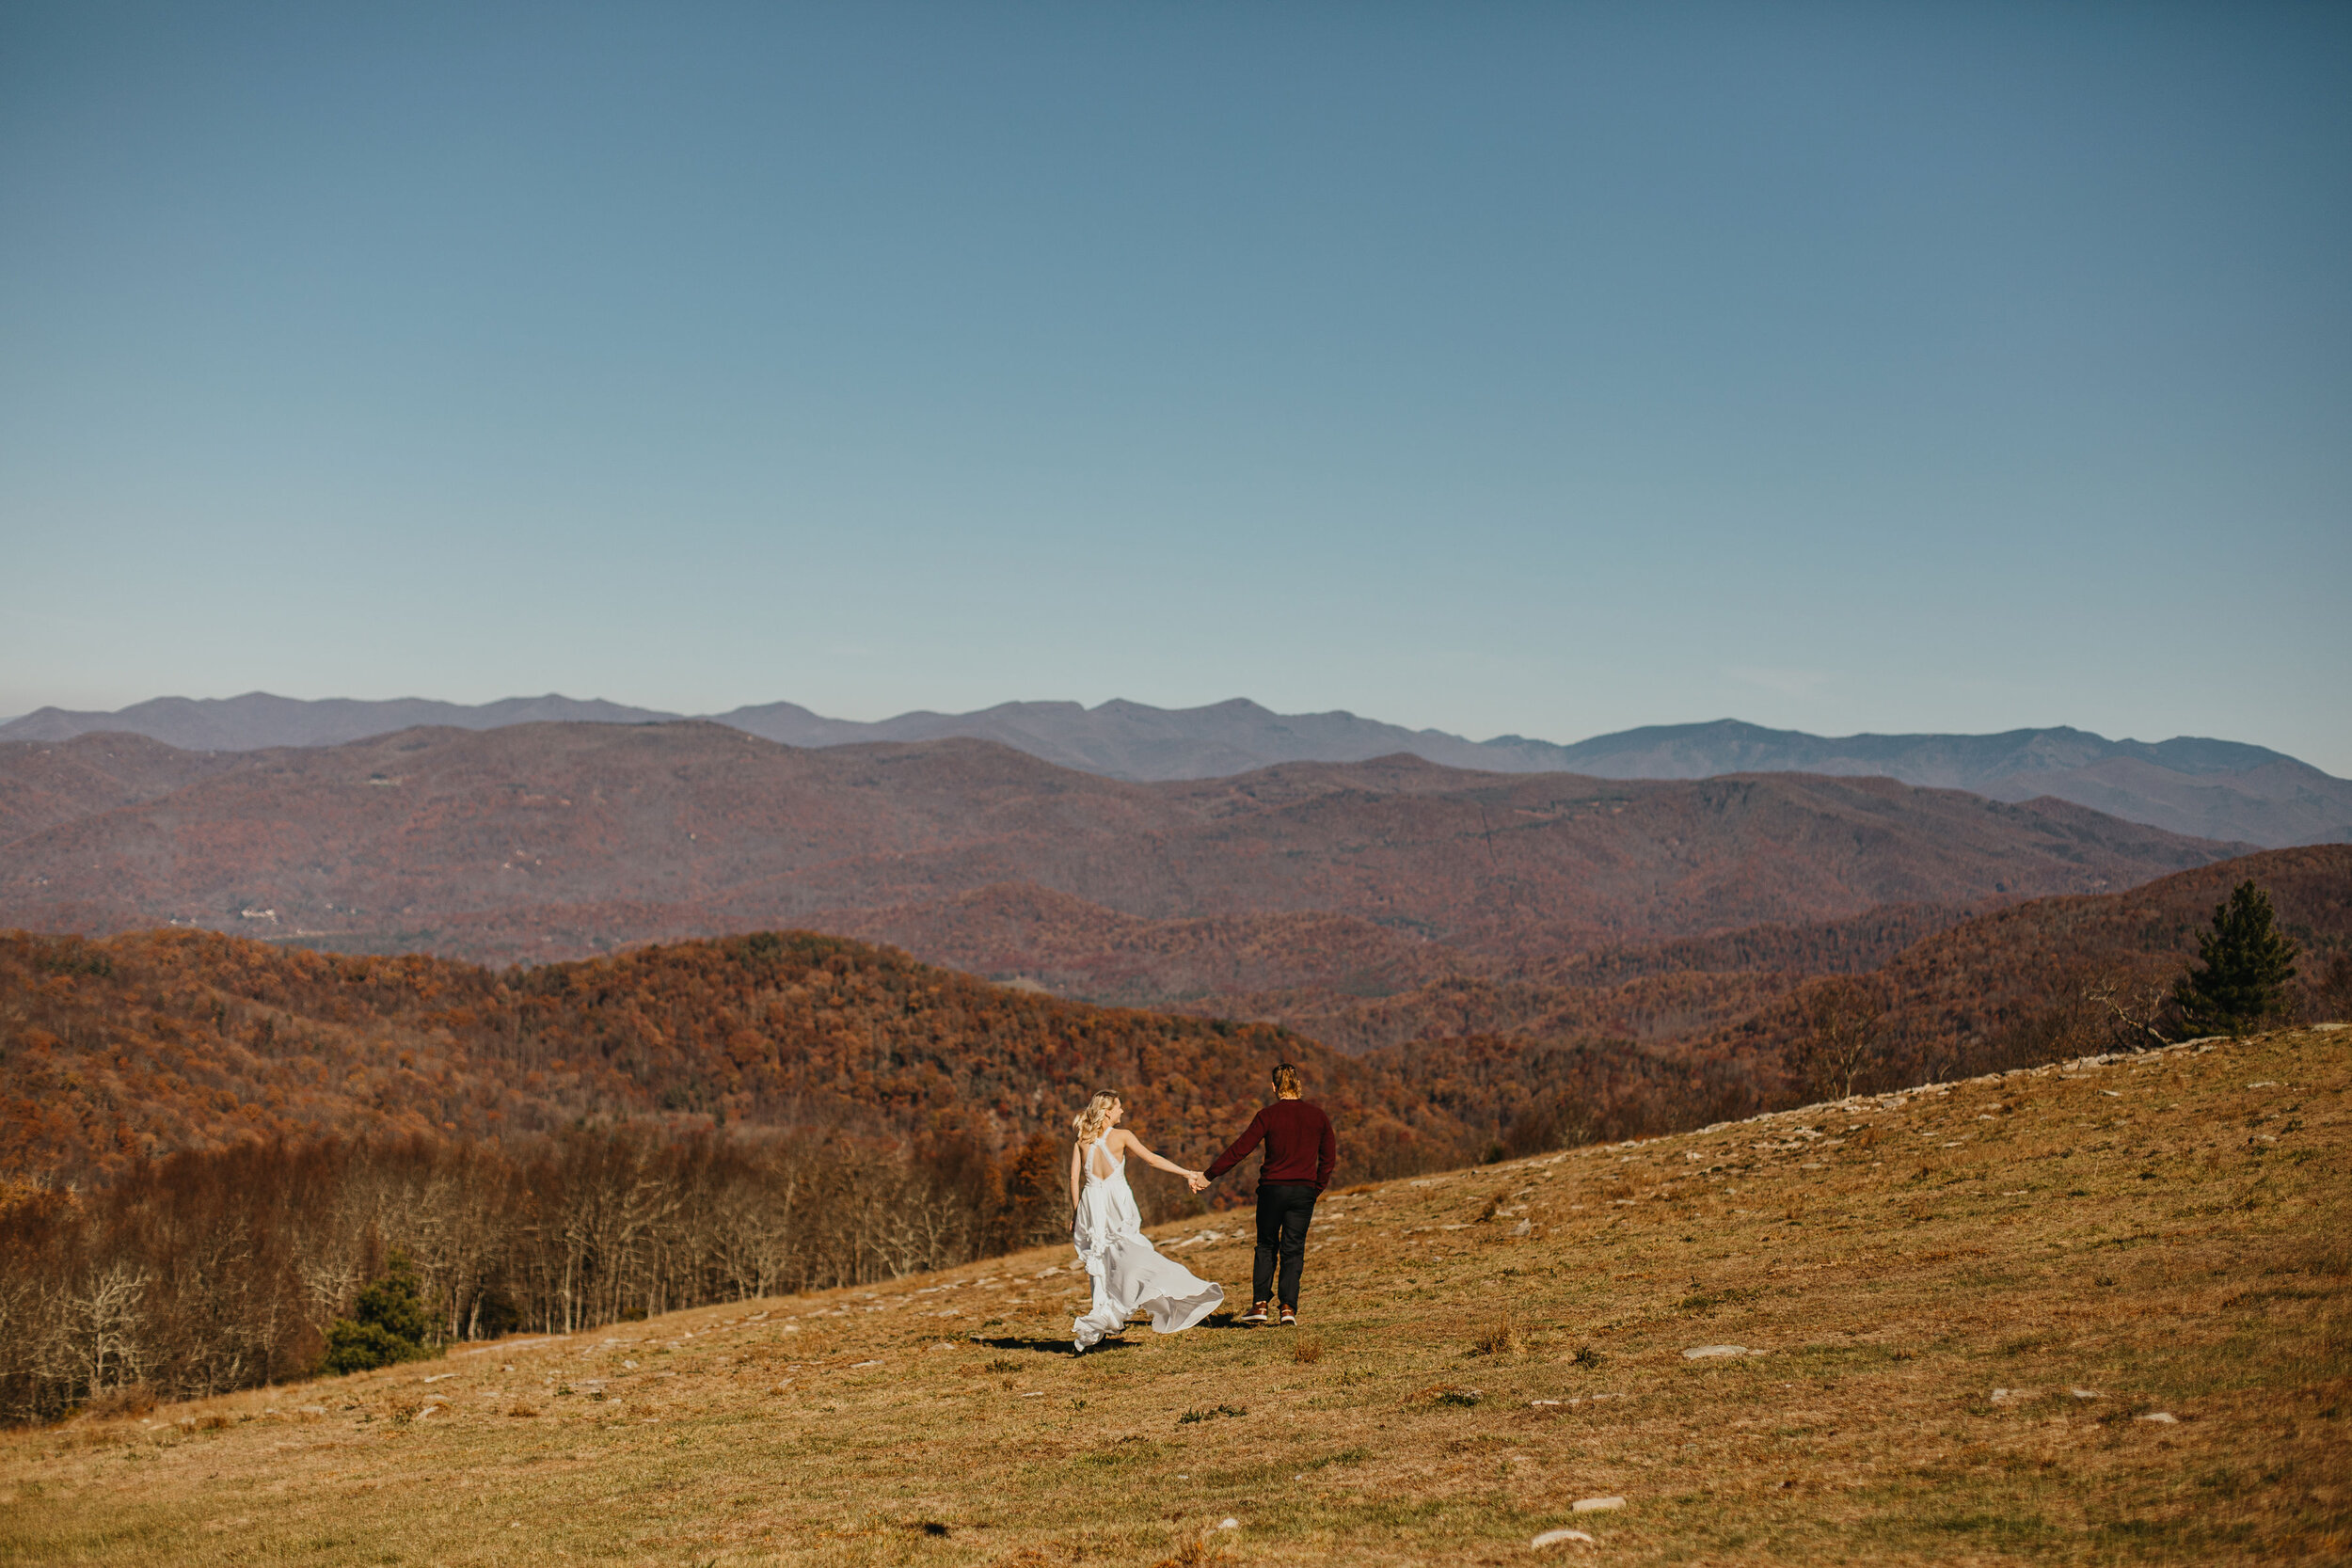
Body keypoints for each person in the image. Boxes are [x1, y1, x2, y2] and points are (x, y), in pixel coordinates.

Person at [1068, 1090, 1223, 1353]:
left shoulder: (1082, 1140)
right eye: (1119, 1107)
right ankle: (1160, 1293)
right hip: (1116, 1204)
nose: (1122, 1112)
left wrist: (1076, 1213)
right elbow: (1152, 1159)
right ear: (1107, 1111)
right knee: (1133, 1253)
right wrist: (1187, 1173)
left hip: (1091, 1205)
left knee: (1100, 1263)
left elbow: (1074, 1180)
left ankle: (1104, 1318)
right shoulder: (1122, 1136)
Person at [1198, 1062, 1336, 1327]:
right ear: (1299, 1085)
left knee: (1266, 1245)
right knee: (1293, 1249)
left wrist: (1209, 1175)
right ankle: (1288, 1309)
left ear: (1273, 1087)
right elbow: (1328, 1158)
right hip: (1304, 1191)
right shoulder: (1318, 1116)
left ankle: (1260, 1305)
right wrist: (1316, 1188)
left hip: (1272, 1190)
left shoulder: (1268, 1116)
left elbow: (1240, 1149)